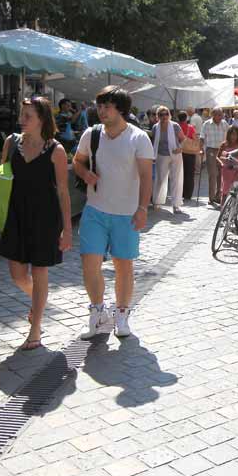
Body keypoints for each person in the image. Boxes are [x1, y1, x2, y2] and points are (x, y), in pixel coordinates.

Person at [0, 96, 71, 351]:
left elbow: (63, 192)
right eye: (21, 115)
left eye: (28, 116)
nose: (21, 120)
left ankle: (35, 329)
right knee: (17, 275)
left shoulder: (56, 150)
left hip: (45, 217)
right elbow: (2, 179)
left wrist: (67, 230)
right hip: (16, 214)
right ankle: (39, 302)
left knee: (39, 271)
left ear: (42, 119)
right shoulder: (12, 143)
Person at [73, 86, 154, 339]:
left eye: (107, 106)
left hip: (126, 213)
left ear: (121, 110)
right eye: (99, 106)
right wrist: (85, 173)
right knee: (90, 263)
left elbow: (146, 176)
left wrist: (142, 208)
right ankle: (97, 312)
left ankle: (121, 314)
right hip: (95, 210)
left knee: (123, 266)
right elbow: (77, 161)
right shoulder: (92, 134)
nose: (102, 111)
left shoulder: (138, 138)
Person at [151, 106, 184, 213]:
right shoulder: (155, 127)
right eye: (161, 114)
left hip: (175, 154)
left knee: (176, 179)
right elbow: (154, 143)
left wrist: (180, 148)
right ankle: (157, 201)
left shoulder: (175, 126)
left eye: (166, 114)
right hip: (161, 155)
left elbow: (183, 139)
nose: (164, 116)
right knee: (160, 179)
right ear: (158, 116)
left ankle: (176, 204)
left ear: (169, 115)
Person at [201, 107, 228, 205]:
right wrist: (201, 149)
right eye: (218, 115)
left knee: (221, 173)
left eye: (221, 115)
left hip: (222, 150)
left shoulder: (224, 124)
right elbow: (202, 137)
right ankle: (211, 197)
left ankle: (218, 196)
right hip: (211, 150)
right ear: (213, 115)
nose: (221, 117)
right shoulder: (206, 124)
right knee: (212, 174)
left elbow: (228, 135)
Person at [218, 125, 238, 201]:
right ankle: (223, 206)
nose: (233, 136)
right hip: (227, 170)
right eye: (232, 134)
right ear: (228, 134)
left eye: (235, 134)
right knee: (225, 190)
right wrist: (223, 162)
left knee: (236, 188)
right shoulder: (224, 144)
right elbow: (218, 157)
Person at [177, 112, 199, 202]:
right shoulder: (191, 127)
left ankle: (180, 193)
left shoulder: (176, 127)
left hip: (179, 152)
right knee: (190, 174)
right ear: (186, 118)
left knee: (180, 173)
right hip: (190, 153)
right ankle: (188, 194)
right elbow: (195, 139)